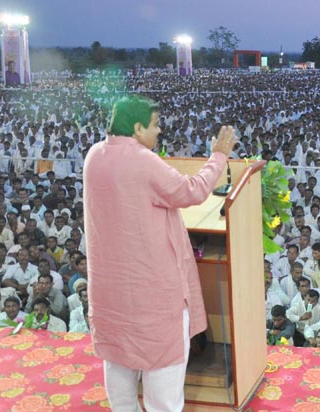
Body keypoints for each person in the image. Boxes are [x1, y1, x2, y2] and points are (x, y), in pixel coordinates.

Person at [83, 95, 237, 412]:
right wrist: (218, 158)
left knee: (120, 379)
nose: (159, 130)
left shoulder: (94, 156)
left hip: (112, 293)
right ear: (137, 128)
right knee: (162, 393)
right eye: (155, 124)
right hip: (152, 296)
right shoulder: (141, 160)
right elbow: (191, 191)